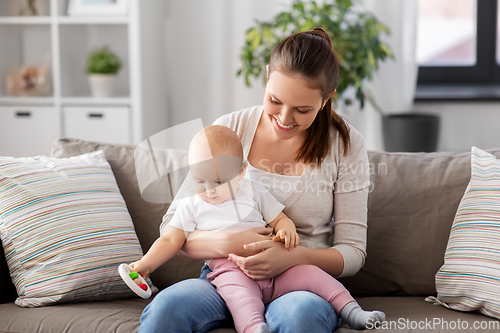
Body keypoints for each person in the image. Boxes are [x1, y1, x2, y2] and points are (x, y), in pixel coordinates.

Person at [139, 27, 372, 333]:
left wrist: (293, 257)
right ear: (266, 76)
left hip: (298, 284)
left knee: (301, 317)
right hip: (225, 277)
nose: (285, 119)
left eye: (302, 109)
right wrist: (227, 242)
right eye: (275, 101)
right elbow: (171, 226)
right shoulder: (230, 129)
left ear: (327, 100)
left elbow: (353, 252)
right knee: (166, 310)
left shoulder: (346, 145)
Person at [132, 125, 384, 333]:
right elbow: (169, 240)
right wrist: (145, 265)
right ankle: (254, 328)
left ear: (241, 172)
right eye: (200, 180)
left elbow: (279, 218)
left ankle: (352, 311)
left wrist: (286, 231)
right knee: (242, 298)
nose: (209, 189)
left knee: (314, 276)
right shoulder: (190, 205)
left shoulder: (252, 190)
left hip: (282, 269)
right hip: (231, 269)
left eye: (219, 181)